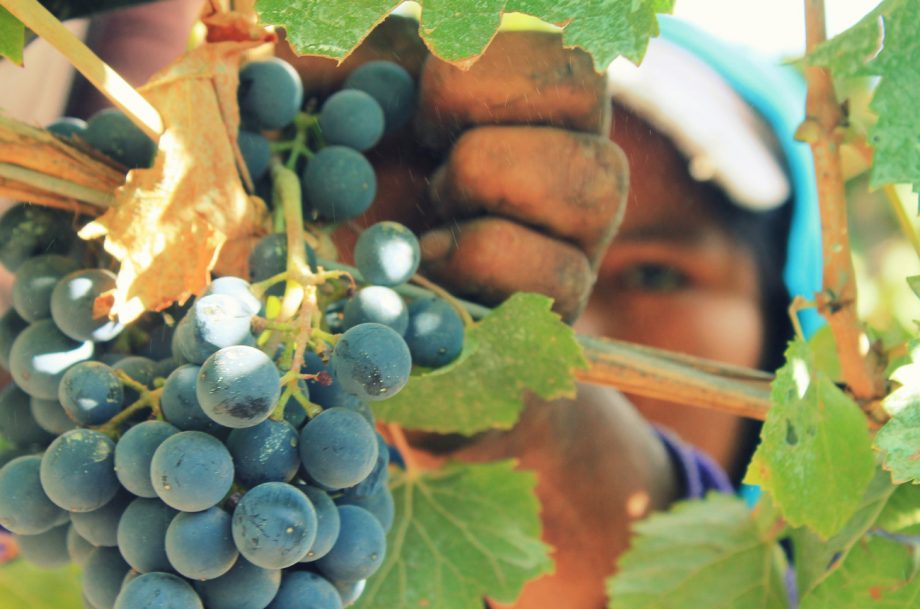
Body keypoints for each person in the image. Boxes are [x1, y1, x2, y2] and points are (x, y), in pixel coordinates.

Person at [1, 5, 822, 609]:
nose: (572, 329)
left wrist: (515, 409)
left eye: (653, 275)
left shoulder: (850, 570)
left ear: (796, 315)